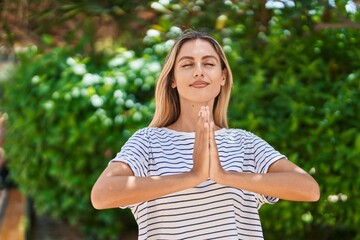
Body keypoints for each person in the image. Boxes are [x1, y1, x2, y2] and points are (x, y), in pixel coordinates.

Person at [91, 30, 320, 239]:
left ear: (222, 77)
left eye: (208, 63)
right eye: (187, 64)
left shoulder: (244, 142)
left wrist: (222, 175)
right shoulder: (148, 142)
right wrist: (192, 176)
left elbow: (309, 189)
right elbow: (101, 196)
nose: (198, 71)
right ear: (172, 79)